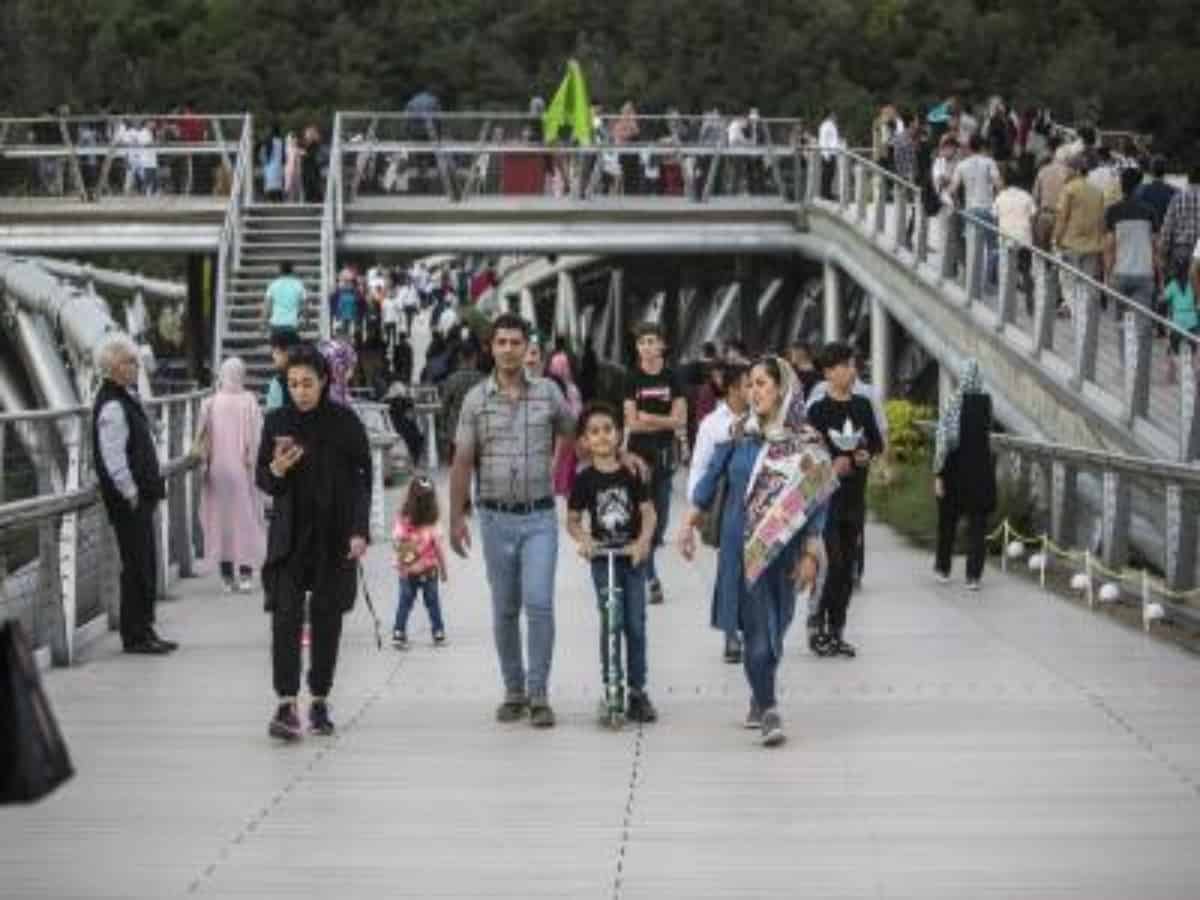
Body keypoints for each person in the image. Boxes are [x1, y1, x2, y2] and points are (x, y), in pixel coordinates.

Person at [680, 356, 836, 746]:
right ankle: (768, 707)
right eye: (750, 384)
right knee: (756, 635)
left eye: (763, 383)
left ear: (782, 389)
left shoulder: (806, 443)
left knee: (777, 629)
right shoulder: (738, 435)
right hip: (740, 550)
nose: (754, 391)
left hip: (785, 551)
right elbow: (708, 482)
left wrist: (812, 553)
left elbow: (818, 502)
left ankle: (759, 689)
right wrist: (688, 523)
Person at [448, 313, 579, 728]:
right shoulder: (475, 400)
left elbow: (575, 433)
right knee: (505, 608)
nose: (508, 349)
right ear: (491, 347)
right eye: (500, 342)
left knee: (539, 604)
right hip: (494, 518)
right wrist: (455, 516)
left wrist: (572, 467)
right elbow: (463, 460)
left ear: (527, 348)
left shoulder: (548, 394)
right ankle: (514, 690)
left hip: (539, 516)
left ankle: (539, 693)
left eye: (515, 342)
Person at [256, 344, 372, 741]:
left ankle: (319, 698)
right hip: (289, 537)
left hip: (334, 536)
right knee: (285, 617)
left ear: (325, 381)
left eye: (308, 383)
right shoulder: (275, 421)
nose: (300, 391)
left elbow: (362, 479)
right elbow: (264, 480)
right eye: (293, 384)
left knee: (327, 618)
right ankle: (286, 703)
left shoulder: (345, 422)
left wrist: (360, 531)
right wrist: (277, 468)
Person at [566, 403, 658, 723]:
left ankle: (637, 691)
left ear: (619, 434)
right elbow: (573, 519)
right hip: (603, 558)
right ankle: (611, 687)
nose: (603, 436)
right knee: (611, 621)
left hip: (631, 557)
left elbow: (648, 512)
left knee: (635, 624)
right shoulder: (584, 479)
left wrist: (643, 542)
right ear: (585, 441)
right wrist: (585, 541)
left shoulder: (631, 473)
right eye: (594, 432)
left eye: (608, 429)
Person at [92, 334, 178, 655]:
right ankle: (136, 635)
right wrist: (130, 492)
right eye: (130, 362)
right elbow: (113, 457)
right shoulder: (113, 405)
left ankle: (145, 628)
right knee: (137, 566)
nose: (136, 366)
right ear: (115, 367)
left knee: (145, 563)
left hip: (140, 496)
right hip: (131, 500)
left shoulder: (125, 397)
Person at [806, 342, 884, 658]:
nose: (852, 370)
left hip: (854, 498)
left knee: (848, 568)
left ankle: (837, 630)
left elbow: (877, 443)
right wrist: (829, 464)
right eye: (845, 365)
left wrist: (867, 454)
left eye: (853, 364)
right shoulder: (817, 411)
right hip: (826, 501)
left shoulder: (863, 406)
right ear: (828, 372)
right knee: (833, 565)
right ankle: (816, 624)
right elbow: (806, 457)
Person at [686, 362, 751, 663]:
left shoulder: (768, 420)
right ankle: (730, 634)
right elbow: (701, 466)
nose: (755, 390)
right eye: (749, 384)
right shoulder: (712, 424)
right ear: (733, 388)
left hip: (764, 508)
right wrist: (695, 509)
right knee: (730, 571)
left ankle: (755, 628)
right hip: (729, 506)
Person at [623, 322, 687, 605]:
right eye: (643, 342)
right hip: (639, 458)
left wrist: (651, 419)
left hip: (665, 457)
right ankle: (650, 578)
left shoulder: (673, 377)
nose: (648, 347)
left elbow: (681, 419)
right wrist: (663, 422)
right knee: (644, 517)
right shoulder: (631, 378)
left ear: (662, 345)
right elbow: (631, 423)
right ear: (637, 347)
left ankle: (645, 560)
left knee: (660, 523)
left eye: (652, 341)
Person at [198, 358, 266, 593]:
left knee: (221, 521)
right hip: (242, 470)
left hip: (216, 470)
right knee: (244, 520)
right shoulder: (249, 401)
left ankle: (227, 577)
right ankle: (246, 575)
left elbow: (201, 436)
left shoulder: (210, 402)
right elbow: (257, 437)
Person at [933, 360, 996, 590]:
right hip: (980, 473)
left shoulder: (953, 401)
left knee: (947, 523)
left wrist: (938, 474)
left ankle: (943, 568)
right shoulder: (986, 402)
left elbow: (944, 441)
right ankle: (973, 576)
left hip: (954, 471)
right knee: (978, 527)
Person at [1105, 166, 1159, 353]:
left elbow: (1110, 247)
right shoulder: (1150, 211)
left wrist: (1107, 274)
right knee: (1143, 324)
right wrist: (1158, 274)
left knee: (1121, 322)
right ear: (1138, 187)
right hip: (1144, 274)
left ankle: (1125, 361)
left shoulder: (1112, 211)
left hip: (1120, 273)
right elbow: (1155, 247)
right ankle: (1140, 364)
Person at [391, 475, 449, 649]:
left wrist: (402, 566)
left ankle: (399, 632)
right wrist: (444, 570)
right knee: (433, 603)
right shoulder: (433, 523)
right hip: (429, 569)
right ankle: (438, 632)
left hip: (407, 571)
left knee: (404, 603)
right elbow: (438, 548)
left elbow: (398, 542)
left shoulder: (403, 520)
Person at [1053, 155, 1106, 321]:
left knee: (1068, 283)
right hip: (1092, 245)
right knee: (1086, 284)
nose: (1065, 171)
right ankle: (1084, 317)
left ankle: (1076, 315)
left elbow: (1062, 217)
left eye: (1068, 168)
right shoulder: (1098, 192)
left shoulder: (1069, 189)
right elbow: (1102, 220)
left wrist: (1057, 238)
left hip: (1071, 243)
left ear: (1076, 170)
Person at [548, 351, 583, 499]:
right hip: (571, 431)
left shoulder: (560, 388)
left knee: (564, 461)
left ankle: (562, 488)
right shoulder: (570, 386)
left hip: (566, 432)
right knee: (567, 462)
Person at [1164, 256, 1199, 382]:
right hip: (1192, 319)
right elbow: (1196, 296)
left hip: (1178, 319)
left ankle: (1171, 375)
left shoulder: (1173, 284)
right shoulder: (1193, 283)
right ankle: (1196, 374)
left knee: (1172, 348)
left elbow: (1163, 298)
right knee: (1194, 350)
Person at [262, 261, 306, 339]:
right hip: (292, 325)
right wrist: (306, 322)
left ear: (279, 271)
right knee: (292, 349)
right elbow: (303, 307)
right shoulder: (298, 285)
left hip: (276, 324)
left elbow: (267, 307)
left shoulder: (273, 285)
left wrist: (264, 323)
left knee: (277, 349)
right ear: (292, 271)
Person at [264, 328, 300, 412]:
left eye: (276, 352)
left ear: (288, 352)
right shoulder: (312, 376)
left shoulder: (278, 383)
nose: (273, 356)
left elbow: (272, 416)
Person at [260, 125, 284, 202]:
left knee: (270, 187)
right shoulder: (280, 142)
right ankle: (278, 201)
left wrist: (263, 162)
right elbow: (283, 155)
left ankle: (269, 200)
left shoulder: (267, 142)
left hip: (269, 167)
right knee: (277, 188)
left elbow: (263, 156)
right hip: (278, 167)